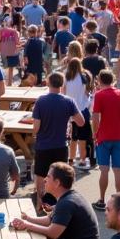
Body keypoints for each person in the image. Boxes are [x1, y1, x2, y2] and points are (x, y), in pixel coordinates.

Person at [11, 161, 99, 239]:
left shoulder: (67, 203)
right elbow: (49, 220)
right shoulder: (68, 197)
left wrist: (27, 225)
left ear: (57, 183)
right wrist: (28, 219)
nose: (44, 180)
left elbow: (53, 233)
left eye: (48, 177)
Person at [31, 71, 85, 204]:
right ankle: (60, 203)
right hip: (61, 145)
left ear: (48, 83)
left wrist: (34, 133)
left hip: (43, 145)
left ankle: (40, 202)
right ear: (62, 84)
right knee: (60, 176)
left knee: (40, 174)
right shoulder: (68, 101)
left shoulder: (41, 101)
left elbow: (36, 127)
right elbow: (81, 122)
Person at [90, 69, 120, 210]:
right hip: (118, 136)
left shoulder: (99, 95)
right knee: (117, 170)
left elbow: (95, 117)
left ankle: (102, 199)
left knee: (104, 170)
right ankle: (119, 200)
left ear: (99, 81)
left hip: (104, 137)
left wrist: (95, 133)